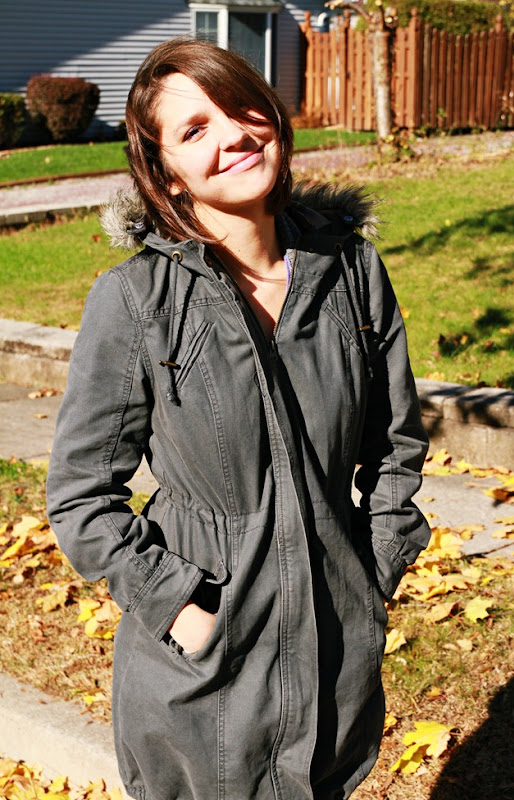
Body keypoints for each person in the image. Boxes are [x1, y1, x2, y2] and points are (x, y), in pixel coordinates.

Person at [46, 38, 431, 800]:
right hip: (200, 684)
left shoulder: (350, 272)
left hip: (333, 659)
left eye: (241, 107)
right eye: (194, 130)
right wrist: (178, 607)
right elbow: (80, 495)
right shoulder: (137, 301)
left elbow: (395, 447)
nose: (233, 135)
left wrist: (373, 570)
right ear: (165, 172)